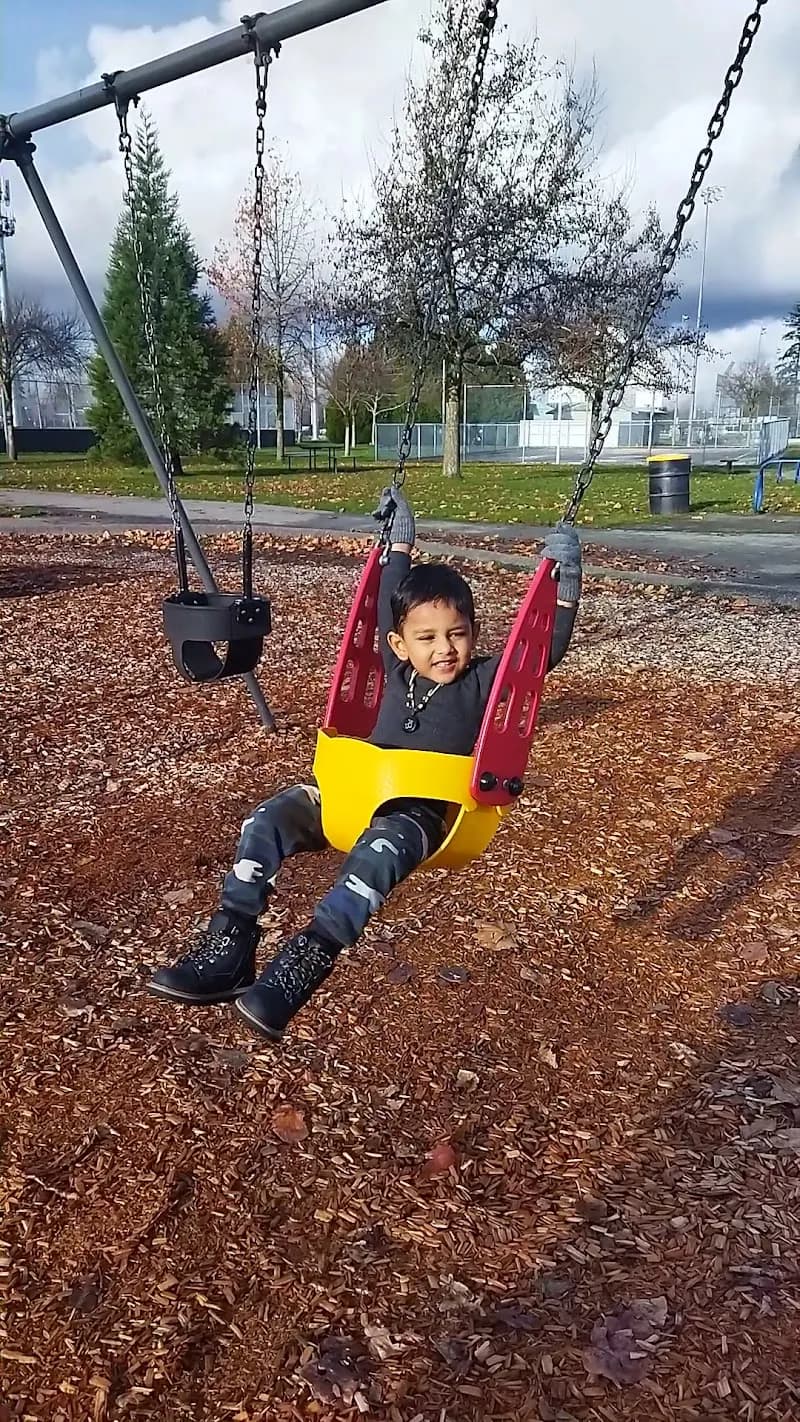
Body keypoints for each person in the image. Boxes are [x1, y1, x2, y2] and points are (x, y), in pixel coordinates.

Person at [149, 490, 582, 1042]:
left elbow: (544, 650)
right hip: (349, 796)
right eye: (427, 638)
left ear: (474, 636)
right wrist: (398, 540)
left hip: (419, 818)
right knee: (265, 821)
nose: (444, 649)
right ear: (400, 646)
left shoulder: (481, 682)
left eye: (457, 634)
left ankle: (303, 963)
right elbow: (382, 606)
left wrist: (563, 585)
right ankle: (229, 947)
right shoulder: (394, 670)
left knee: (367, 867)